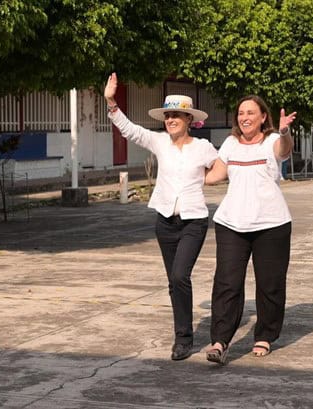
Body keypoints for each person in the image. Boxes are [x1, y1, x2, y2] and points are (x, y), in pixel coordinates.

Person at [104, 73, 218, 361]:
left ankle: (185, 338)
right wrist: (111, 102)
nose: (170, 120)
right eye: (168, 116)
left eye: (176, 116)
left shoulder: (202, 148)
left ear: (189, 119)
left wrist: (204, 181)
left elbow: (222, 168)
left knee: (181, 275)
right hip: (165, 221)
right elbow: (130, 130)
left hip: (193, 221)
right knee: (173, 280)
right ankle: (182, 338)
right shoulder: (159, 142)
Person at [204, 95, 296, 365]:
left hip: (272, 224)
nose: (244, 117)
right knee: (226, 284)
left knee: (270, 284)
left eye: (251, 112)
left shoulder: (271, 142)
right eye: (241, 112)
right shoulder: (231, 143)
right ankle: (220, 341)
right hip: (232, 223)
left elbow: (284, 150)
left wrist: (284, 131)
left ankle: (265, 336)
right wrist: (181, 169)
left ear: (263, 117)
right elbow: (214, 176)